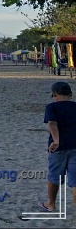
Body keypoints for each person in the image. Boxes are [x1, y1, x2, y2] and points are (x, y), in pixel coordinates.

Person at [39, 81, 76, 212]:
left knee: (55, 176)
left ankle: (51, 204)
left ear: (54, 94)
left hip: (58, 148)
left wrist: (56, 141)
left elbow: (52, 124)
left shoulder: (52, 107)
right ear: (70, 94)